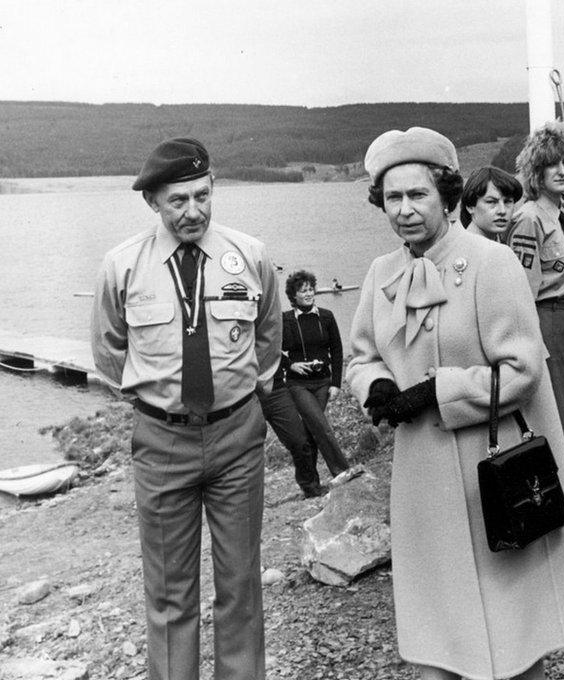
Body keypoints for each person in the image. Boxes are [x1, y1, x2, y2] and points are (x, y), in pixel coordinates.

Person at [348, 127, 564, 680]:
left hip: (494, 469)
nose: (406, 210)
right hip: (424, 477)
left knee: (510, 636)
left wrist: (436, 390)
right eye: (393, 198)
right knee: (442, 633)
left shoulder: (491, 262)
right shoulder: (380, 274)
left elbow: (523, 370)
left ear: (445, 193)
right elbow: (360, 357)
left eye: (418, 195)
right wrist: (377, 387)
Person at [91, 137, 280, 680]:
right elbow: (107, 351)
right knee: (170, 594)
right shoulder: (122, 266)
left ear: (213, 187)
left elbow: (268, 334)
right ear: (152, 201)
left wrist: (238, 390)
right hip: (161, 441)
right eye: (178, 200)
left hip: (238, 436)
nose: (193, 211)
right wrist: (157, 400)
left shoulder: (250, 255)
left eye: (202, 195)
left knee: (240, 584)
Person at [507, 120, 564, 500]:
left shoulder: (563, 213)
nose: (561, 171)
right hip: (545, 320)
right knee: (559, 417)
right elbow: (523, 291)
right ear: (536, 172)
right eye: (551, 165)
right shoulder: (529, 217)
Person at [282, 270, 363, 486]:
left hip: (322, 383)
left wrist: (336, 383)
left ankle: (309, 483)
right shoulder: (286, 320)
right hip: (298, 384)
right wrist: (292, 365)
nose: (308, 294)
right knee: (320, 424)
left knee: (312, 430)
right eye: (302, 291)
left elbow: (337, 350)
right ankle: (342, 471)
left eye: (310, 289)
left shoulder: (326, 316)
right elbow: (272, 350)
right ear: (294, 296)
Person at [257, 363, 327, 498]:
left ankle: (310, 487)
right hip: (247, 395)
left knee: (300, 441)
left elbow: (277, 348)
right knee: (244, 451)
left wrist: (288, 364)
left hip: (276, 389)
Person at [459, 165, 523, 240]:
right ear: (470, 206)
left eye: (507, 202)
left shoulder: (499, 245)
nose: (502, 211)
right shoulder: (460, 247)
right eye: (491, 202)